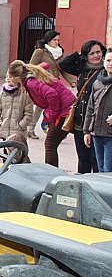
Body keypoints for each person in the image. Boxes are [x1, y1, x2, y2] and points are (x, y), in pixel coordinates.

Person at [8, 60, 76, 168]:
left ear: (16, 77)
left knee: (50, 144)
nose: (9, 79)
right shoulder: (34, 73)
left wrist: (50, 116)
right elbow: (45, 65)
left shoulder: (31, 82)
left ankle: (51, 173)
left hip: (64, 112)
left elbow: (51, 94)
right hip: (68, 107)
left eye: (10, 76)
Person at [59, 39, 106, 173]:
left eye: (98, 52)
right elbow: (63, 64)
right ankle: (81, 185)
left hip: (95, 121)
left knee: (95, 159)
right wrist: (79, 53)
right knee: (83, 159)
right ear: (86, 56)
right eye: (92, 53)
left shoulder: (105, 71)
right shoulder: (82, 69)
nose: (96, 56)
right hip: (80, 120)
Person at [27, 30, 76, 140]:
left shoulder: (59, 53)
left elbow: (63, 69)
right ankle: (31, 129)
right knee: (40, 107)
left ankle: (52, 129)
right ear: (48, 40)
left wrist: (71, 81)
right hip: (43, 83)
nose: (57, 42)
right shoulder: (40, 52)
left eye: (58, 40)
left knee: (57, 107)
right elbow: (31, 66)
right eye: (54, 40)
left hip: (55, 84)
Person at [84, 49, 112, 172]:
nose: (110, 63)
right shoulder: (98, 83)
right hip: (96, 134)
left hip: (110, 135)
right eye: (108, 60)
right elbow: (90, 108)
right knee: (100, 169)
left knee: (108, 170)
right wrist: (87, 131)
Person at [0, 72, 34, 146]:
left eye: (11, 77)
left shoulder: (24, 96)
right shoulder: (1, 95)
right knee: (6, 154)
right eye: (7, 76)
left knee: (18, 154)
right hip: (4, 131)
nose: (8, 78)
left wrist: (21, 126)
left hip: (18, 132)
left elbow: (29, 113)